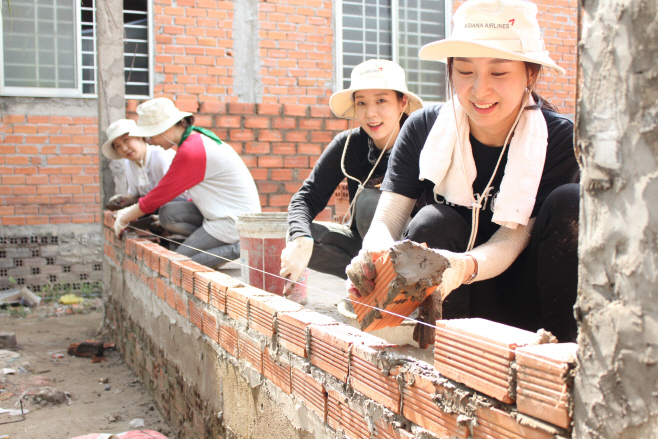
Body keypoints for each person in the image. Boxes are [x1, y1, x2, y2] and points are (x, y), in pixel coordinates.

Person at [346, 0, 580, 345]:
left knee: (571, 203)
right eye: (465, 71)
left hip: (529, 301)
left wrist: (461, 267)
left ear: (530, 74)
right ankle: (441, 349)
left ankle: (561, 359)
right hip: (448, 298)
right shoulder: (423, 128)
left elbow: (513, 237)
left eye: (499, 73)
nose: (479, 89)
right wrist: (373, 252)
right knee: (433, 221)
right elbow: (389, 217)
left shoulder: (558, 138)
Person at [280, 60, 423, 294]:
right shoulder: (348, 145)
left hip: (414, 254)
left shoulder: (421, 143)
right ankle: (365, 284)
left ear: (402, 102)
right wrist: (301, 239)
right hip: (361, 247)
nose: (370, 113)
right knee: (299, 233)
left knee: (372, 202)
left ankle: (404, 291)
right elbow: (305, 198)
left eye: (381, 100)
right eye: (361, 103)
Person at [113, 98, 261, 268]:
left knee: (178, 266)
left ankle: (240, 247)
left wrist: (124, 219)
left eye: (151, 136)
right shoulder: (194, 141)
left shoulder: (191, 152)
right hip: (219, 213)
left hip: (233, 221)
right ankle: (213, 242)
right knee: (168, 213)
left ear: (165, 129)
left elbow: (158, 196)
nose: (151, 141)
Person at [101, 119, 187, 211]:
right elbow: (139, 198)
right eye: (118, 146)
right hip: (155, 207)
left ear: (139, 136)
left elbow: (175, 192)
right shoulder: (129, 164)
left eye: (126, 140)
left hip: (179, 207)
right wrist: (124, 199)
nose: (124, 148)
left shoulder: (162, 155)